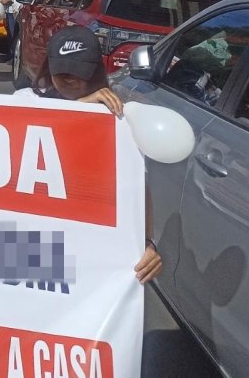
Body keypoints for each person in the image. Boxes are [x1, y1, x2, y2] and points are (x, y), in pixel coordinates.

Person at [15, 26, 162, 285]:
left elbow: (138, 187)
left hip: (87, 250)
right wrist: (82, 108)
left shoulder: (119, 117)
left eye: (77, 72)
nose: (68, 79)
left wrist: (147, 243)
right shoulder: (24, 101)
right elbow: (22, 133)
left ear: (94, 71)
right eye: (61, 71)